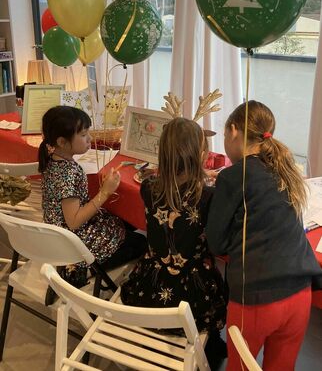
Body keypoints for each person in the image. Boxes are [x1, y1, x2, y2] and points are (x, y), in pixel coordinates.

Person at [206, 100, 322, 370]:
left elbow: (217, 242)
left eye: (224, 135)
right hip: (300, 292)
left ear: (234, 131)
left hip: (257, 298)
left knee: (241, 367)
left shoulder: (232, 176)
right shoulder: (286, 168)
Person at [120, 117, 227, 368]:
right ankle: (211, 346)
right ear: (201, 156)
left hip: (150, 283)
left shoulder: (148, 187)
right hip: (194, 292)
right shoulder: (209, 196)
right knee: (220, 288)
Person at [38, 106, 147, 288]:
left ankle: (80, 267)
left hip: (59, 233)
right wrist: (105, 192)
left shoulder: (53, 160)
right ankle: (81, 271)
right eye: (83, 135)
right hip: (72, 239)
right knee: (141, 242)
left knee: (124, 224)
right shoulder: (68, 173)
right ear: (62, 142)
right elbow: (74, 222)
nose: (89, 138)